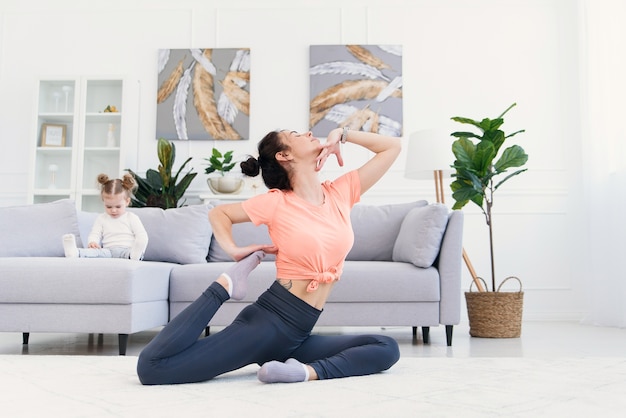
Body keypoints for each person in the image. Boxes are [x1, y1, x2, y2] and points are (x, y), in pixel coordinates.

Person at [137, 126, 402, 385]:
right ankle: (225, 286)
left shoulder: (340, 193)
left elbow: (392, 147)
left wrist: (343, 134)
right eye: (296, 135)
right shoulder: (277, 202)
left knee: (386, 346)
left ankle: (301, 373)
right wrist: (233, 250)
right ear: (284, 156)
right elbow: (219, 214)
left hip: (299, 334)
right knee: (153, 368)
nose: (309, 133)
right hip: (266, 326)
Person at [63, 173, 148, 260]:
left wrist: (139, 245)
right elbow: (95, 233)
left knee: (133, 253)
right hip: (107, 252)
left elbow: (141, 235)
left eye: (118, 206)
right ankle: (75, 253)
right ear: (103, 201)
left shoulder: (131, 217)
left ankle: (135, 255)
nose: (113, 210)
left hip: (127, 250)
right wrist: (93, 242)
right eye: (109, 207)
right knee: (95, 253)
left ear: (127, 201)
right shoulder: (102, 218)